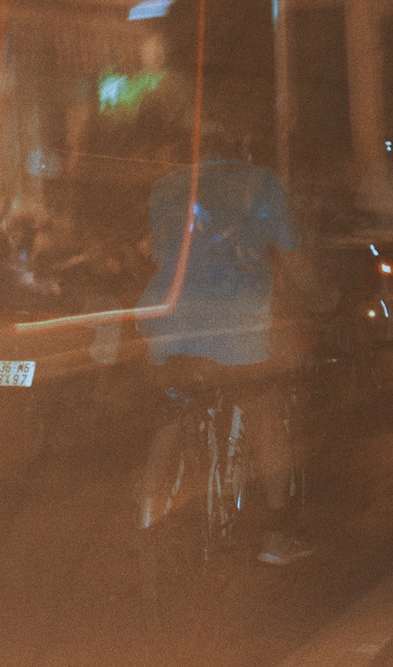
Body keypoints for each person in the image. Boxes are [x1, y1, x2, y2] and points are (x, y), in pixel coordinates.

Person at [134, 118, 337, 565]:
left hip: (165, 323)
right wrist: (324, 301)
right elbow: (294, 257)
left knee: (171, 409)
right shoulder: (262, 184)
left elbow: (162, 252)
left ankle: (146, 513)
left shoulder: (166, 187)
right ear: (241, 144)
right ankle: (275, 536)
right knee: (264, 405)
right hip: (235, 327)